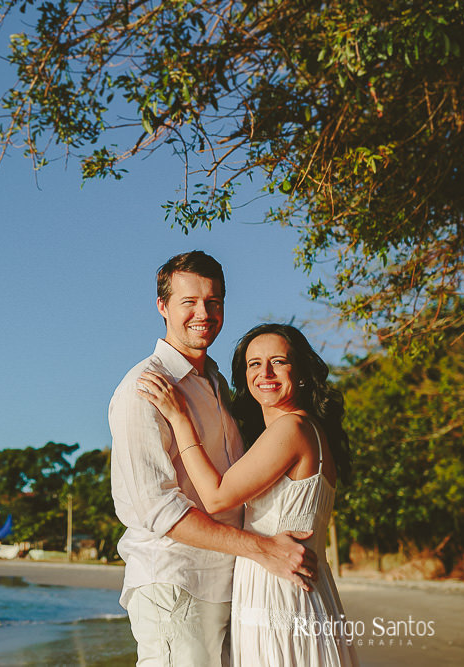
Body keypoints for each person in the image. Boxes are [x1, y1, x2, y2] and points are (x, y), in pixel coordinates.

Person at [110, 251, 316, 667]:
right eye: (188, 302)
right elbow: (157, 510)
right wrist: (261, 548)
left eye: (213, 301)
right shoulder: (144, 388)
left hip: (230, 585)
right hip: (176, 583)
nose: (203, 313)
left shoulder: (218, 383)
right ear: (162, 307)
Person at [137, 323, 359, 666]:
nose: (265, 373)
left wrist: (180, 418)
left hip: (280, 593)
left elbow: (215, 496)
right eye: (253, 364)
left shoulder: (291, 428)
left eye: (278, 362)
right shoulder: (308, 428)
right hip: (297, 588)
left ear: (299, 372)